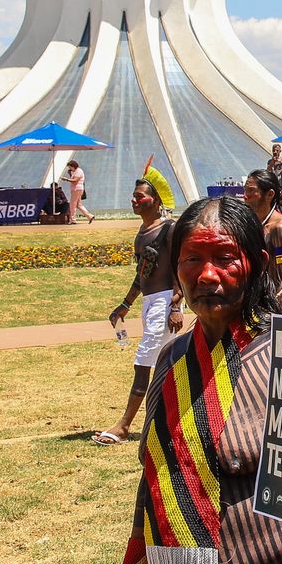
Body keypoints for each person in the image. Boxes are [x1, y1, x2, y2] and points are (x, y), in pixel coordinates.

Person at [107, 195, 282, 564]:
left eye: (225, 259)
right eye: (193, 259)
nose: (207, 276)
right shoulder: (171, 361)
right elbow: (156, 480)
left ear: (258, 263)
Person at [94, 179, 184, 446]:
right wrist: (125, 304)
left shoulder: (169, 229)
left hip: (165, 302)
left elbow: (180, 267)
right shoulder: (142, 233)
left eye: (139, 196)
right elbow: (141, 274)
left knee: (143, 361)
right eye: (133, 196)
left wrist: (177, 305)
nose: (134, 200)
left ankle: (124, 425)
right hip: (150, 303)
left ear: (156, 201)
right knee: (168, 365)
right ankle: (172, 422)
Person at [243, 169, 282, 302]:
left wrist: (273, 314)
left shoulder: (280, 228)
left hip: (270, 306)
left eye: (251, 191)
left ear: (270, 194)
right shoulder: (251, 224)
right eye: (245, 190)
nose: (245, 196)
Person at [62, 159, 95, 224]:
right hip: (76, 189)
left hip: (77, 189)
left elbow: (75, 180)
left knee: (72, 204)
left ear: (73, 166)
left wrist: (67, 179)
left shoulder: (79, 171)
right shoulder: (74, 172)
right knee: (79, 205)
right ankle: (90, 216)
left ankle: (73, 220)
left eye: (70, 167)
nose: (70, 169)